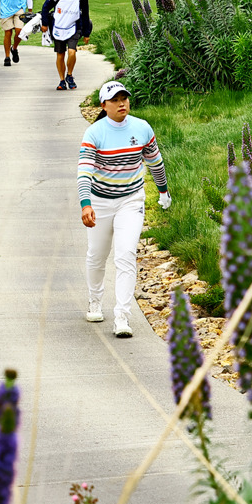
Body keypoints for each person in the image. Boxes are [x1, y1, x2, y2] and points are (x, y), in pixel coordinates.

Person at [78, 81, 171, 338]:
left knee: (126, 254)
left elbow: (155, 161)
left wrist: (163, 190)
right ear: (103, 105)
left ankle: (122, 316)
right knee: (97, 255)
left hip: (131, 200)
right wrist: (86, 203)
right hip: (100, 201)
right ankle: (95, 301)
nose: (122, 103)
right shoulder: (95, 133)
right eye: (115, 99)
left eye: (124, 98)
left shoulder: (141, 128)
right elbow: (84, 171)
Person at [40, 0, 92, 91]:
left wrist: (86, 33)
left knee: (72, 52)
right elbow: (46, 7)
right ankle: (62, 80)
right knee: (60, 54)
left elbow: (85, 15)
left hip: (74, 27)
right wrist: (44, 23)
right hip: (58, 27)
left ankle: (70, 75)